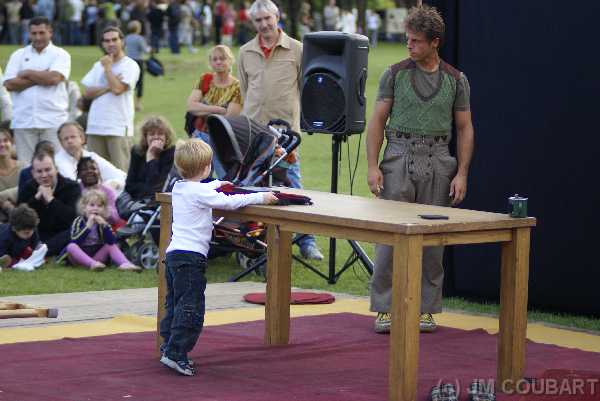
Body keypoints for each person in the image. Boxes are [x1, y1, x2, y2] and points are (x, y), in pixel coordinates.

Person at [366, 5, 475, 334]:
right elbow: (377, 122)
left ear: (435, 42)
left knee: (433, 240)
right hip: (398, 155)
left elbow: (465, 128)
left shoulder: (456, 80)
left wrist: (462, 173)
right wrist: (373, 166)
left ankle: (426, 309)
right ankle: (385, 308)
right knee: (390, 236)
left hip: (439, 160)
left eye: (415, 41)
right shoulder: (394, 73)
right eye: (407, 40)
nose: (409, 46)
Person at [159, 138, 277, 376]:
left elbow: (208, 189)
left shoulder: (179, 186)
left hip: (173, 256)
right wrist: (260, 196)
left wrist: (219, 183)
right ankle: (176, 353)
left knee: (174, 304)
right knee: (191, 308)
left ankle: (168, 345)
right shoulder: (200, 193)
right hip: (191, 259)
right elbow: (228, 202)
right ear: (206, 168)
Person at [238, 0, 323, 261]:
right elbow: (244, 89)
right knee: (249, 188)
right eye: (258, 20)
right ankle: (249, 245)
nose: (264, 24)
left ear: (277, 16)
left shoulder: (297, 49)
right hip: (253, 133)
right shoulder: (245, 52)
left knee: (293, 186)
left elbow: (306, 90)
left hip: (286, 136)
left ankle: (307, 242)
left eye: (267, 18)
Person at [2, 16, 71, 162]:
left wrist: (28, 73)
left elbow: (54, 79)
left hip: (53, 120)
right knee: (27, 167)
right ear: (28, 33)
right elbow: (9, 84)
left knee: (57, 165)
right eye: (34, 33)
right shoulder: (18, 55)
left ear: (50, 32)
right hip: (24, 120)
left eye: (41, 33)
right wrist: (43, 75)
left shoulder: (61, 54)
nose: (38, 37)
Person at [81, 26, 141, 171]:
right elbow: (87, 93)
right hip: (95, 125)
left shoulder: (130, 65)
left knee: (121, 172)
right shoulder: (98, 65)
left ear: (122, 41)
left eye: (114, 39)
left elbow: (118, 89)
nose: (111, 44)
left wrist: (108, 69)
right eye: (107, 41)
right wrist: (108, 86)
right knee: (96, 172)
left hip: (118, 126)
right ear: (102, 44)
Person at [186, 44, 242, 178]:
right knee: (197, 178)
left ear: (230, 61)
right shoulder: (205, 79)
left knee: (226, 178)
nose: (218, 62)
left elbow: (229, 116)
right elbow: (191, 106)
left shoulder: (237, 86)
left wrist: (203, 109)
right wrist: (217, 109)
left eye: (222, 58)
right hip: (200, 136)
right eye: (214, 59)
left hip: (222, 140)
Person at [17, 151, 81, 256]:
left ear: (56, 169)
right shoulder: (28, 188)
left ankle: (40, 250)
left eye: (48, 170)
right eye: (39, 171)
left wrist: (51, 200)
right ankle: (38, 250)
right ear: (33, 173)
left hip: (63, 233)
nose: (44, 175)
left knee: (78, 230)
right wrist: (36, 199)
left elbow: (73, 219)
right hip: (36, 235)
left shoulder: (72, 187)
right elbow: (18, 219)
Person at [63, 189, 140, 271]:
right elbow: (75, 241)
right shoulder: (78, 221)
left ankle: (125, 264)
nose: (95, 208)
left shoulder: (104, 222)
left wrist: (104, 226)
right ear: (84, 207)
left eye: (99, 206)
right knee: (71, 246)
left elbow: (111, 241)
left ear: (104, 209)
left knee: (112, 245)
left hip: (96, 257)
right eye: (92, 205)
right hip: (78, 257)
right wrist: (87, 226)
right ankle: (92, 264)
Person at [118, 115, 175, 218]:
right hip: (138, 200)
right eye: (152, 134)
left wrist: (151, 158)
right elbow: (129, 185)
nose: (156, 137)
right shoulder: (137, 152)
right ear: (145, 137)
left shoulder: (171, 153)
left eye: (160, 134)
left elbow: (158, 187)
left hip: (158, 202)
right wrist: (146, 191)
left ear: (166, 137)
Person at [55, 122, 126, 192]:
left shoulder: (91, 156)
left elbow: (122, 176)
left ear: (82, 138)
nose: (69, 141)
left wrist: (112, 184)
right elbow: (74, 187)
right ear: (61, 143)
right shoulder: (58, 161)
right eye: (66, 139)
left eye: (73, 137)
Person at [0, 204, 47, 272]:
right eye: (26, 233)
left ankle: (20, 261)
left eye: (32, 231)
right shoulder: (5, 236)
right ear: (14, 229)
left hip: (20, 250)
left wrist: (39, 252)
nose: (30, 234)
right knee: (7, 258)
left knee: (32, 251)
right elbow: (2, 253)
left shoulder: (32, 230)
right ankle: (15, 263)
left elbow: (35, 245)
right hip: (7, 252)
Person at [77, 157, 121, 224]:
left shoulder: (108, 191)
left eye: (93, 168)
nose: (89, 171)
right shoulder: (75, 190)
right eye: (84, 169)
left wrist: (103, 211)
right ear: (78, 174)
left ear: (99, 172)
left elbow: (115, 218)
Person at [0, 129, 27, 222]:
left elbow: (28, 189)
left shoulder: (23, 167)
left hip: (27, 213)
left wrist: (2, 196)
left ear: (11, 144)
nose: (2, 144)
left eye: (5, 140)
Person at [124, 20, 150, 111]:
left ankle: (129, 103)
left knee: (130, 82)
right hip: (138, 61)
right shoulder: (139, 38)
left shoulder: (126, 38)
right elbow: (145, 50)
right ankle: (138, 104)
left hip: (128, 61)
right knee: (140, 83)